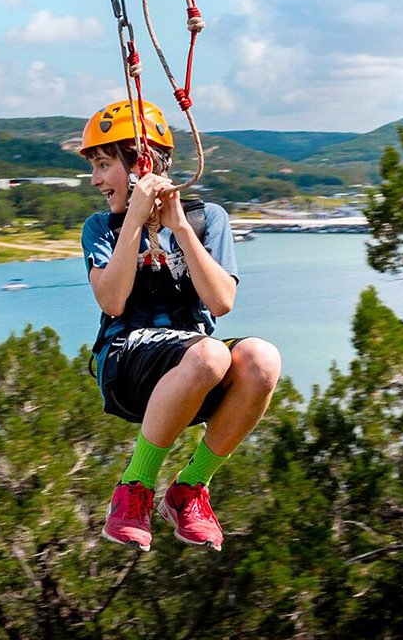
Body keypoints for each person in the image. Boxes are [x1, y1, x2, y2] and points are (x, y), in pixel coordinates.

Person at [80, 99, 282, 552]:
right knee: (210, 354)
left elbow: (221, 301)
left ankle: (189, 489)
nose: (95, 180)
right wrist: (135, 217)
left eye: (104, 165)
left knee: (262, 360)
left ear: (141, 164)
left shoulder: (207, 219)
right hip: (127, 365)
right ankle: (134, 488)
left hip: (191, 367)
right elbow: (112, 300)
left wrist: (180, 228)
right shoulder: (101, 228)